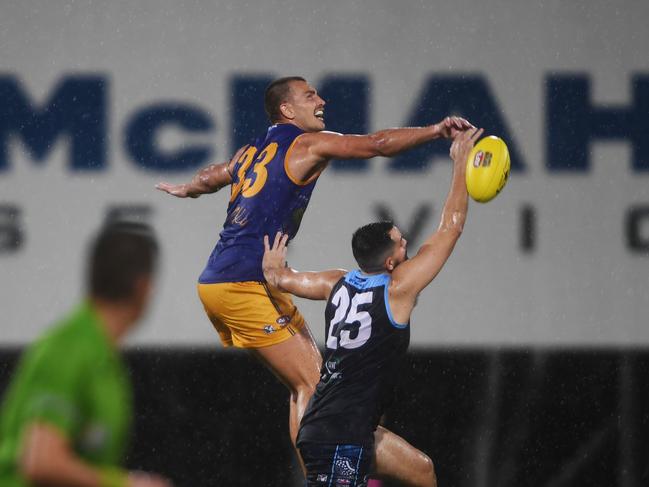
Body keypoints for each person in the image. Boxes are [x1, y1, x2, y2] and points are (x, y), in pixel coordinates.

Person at [155, 76, 474, 452]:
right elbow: (377, 145)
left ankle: (317, 475)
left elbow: (215, 175)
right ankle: (321, 477)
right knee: (313, 387)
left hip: (238, 279)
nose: (321, 100)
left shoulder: (250, 151)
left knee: (311, 382)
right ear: (287, 110)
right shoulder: (306, 144)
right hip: (241, 281)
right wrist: (435, 131)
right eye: (310, 96)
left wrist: (189, 187)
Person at [261, 128, 484, 486]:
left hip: (338, 426)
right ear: (392, 262)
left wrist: (275, 270)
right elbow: (451, 228)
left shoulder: (336, 281)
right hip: (340, 436)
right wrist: (460, 165)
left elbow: (286, 280)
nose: (406, 242)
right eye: (400, 242)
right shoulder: (397, 289)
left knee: (423, 470)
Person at [0, 222, 172, 487]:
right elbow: (41, 461)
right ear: (144, 287)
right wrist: (128, 484)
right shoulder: (66, 350)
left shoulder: (103, 358)